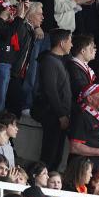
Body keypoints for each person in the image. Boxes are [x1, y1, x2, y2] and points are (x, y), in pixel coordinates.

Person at [34, 29, 72, 170]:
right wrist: (61, 115)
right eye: (70, 41)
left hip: (59, 116)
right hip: (52, 115)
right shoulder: (49, 61)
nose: (71, 45)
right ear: (62, 43)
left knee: (56, 155)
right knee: (49, 154)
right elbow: (51, 91)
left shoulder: (60, 61)